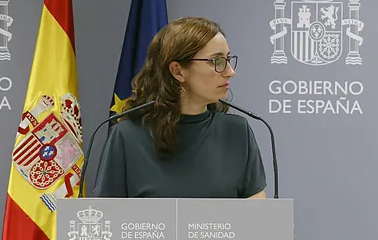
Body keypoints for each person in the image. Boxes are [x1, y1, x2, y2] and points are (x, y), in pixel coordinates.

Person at [92, 16, 267, 198]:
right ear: (178, 71)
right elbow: (106, 217)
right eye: (217, 62)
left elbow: (258, 216)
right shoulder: (127, 136)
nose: (230, 72)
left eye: (228, 59)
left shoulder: (237, 131)